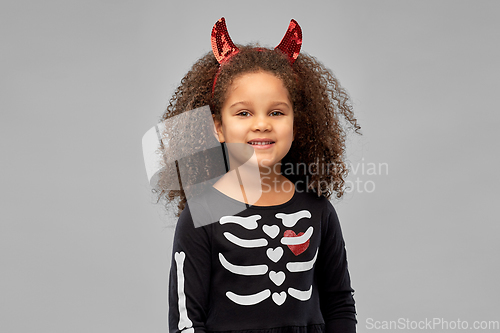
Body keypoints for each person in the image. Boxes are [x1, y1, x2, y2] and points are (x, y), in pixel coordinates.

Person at [160, 17, 361, 333]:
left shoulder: (318, 210)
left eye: (277, 112)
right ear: (217, 126)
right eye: (243, 113)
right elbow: (187, 321)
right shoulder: (202, 215)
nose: (262, 124)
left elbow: (339, 304)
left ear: (297, 122)